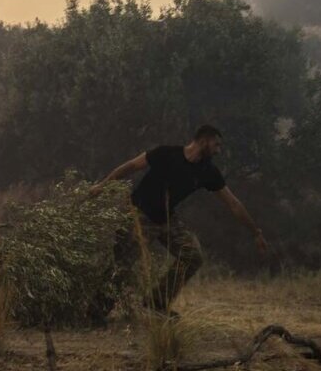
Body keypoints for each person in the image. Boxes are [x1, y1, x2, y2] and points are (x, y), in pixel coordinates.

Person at [88, 124, 268, 313]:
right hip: (138, 215)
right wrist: (102, 185)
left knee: (192, 256)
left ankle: (157, 303)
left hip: (166, 219)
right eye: (216, 145)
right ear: (204, 141)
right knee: (122, 265)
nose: (218, 151)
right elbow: (131, 166)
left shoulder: (208, 171)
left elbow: (233, 204)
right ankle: (95, 313)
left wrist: (255, 232)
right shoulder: (166, 154)